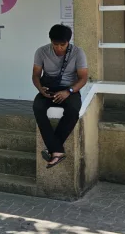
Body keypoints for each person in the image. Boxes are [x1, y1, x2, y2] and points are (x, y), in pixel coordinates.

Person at [32, 24, 89, 168]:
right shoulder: (41, 52)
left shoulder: (78, 52)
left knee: (73, 110)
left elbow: (83, 78)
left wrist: (68, 91)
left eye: (62, 45)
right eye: (55, 44)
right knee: (38, 107)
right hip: (48, 88)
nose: (59, 48)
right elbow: (36, 75)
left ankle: (53, 149)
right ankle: (57, 150)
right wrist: (40, 89)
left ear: (68, 42)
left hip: (69, 89)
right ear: (50, 41)